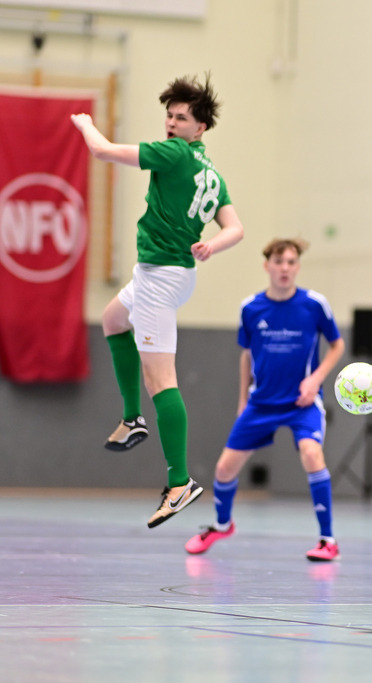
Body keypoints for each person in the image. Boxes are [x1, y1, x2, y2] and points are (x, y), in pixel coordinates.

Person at [70, 75, 244, 527]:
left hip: (158, 280)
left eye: (181, 117)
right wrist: (212, 246)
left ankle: (180, 481)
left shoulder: (174, 154)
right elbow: (235, 228)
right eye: (168, 114)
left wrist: (85, 123)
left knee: (161, 381)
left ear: (200, 127)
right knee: (112, 320)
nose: (170, 122)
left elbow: (103, 151)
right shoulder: (212, 173)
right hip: (170, 274)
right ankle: (131, 419)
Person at [183, 238, 344, 560]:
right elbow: (246, 356)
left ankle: (328, 540)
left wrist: (315, 380)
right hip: (261, 403)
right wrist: (243, 400)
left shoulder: (314, 304)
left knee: (312, 455)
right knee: (224, 470)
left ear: (297, 267)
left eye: (290, 262)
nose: (284, 268)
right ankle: (221, 524)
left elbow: (336, 345)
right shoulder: (251, 308)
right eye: (279, 261)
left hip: (302, 404)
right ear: (267, 265)